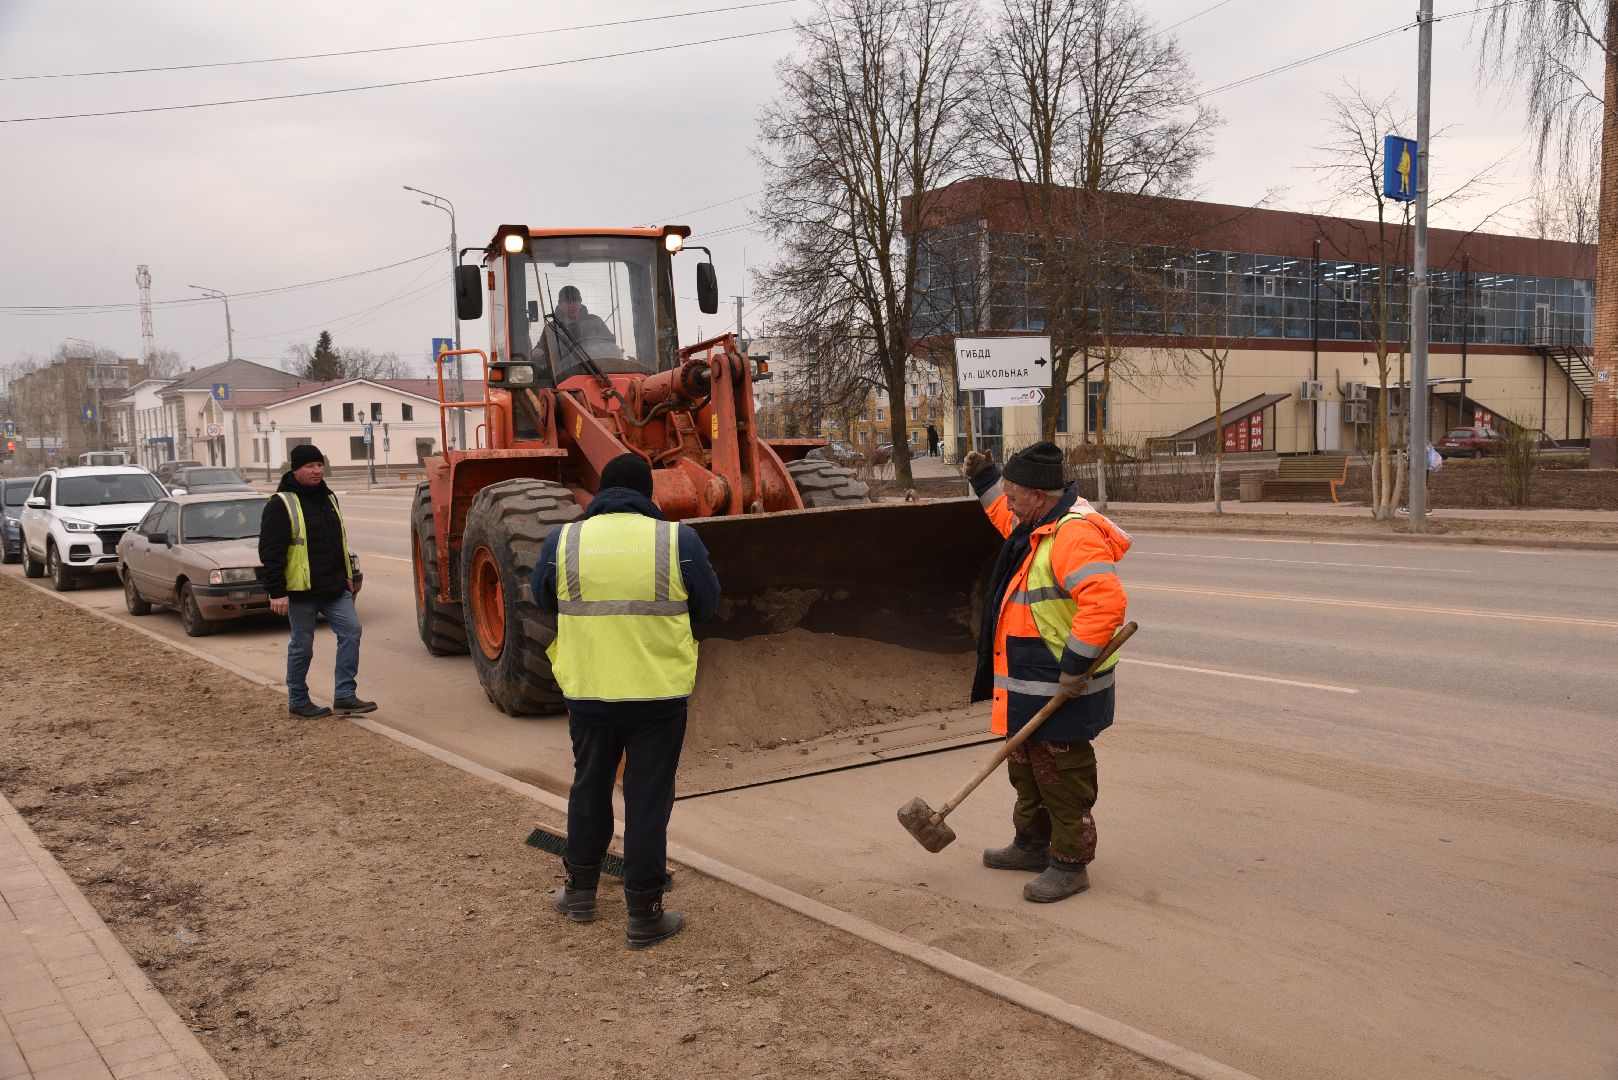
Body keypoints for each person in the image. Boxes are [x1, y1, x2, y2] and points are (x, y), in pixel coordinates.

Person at [532, 453, 721, 949]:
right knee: (647, 800)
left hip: (590, 692)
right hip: (657, 695)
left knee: (589, 788)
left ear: (600, 493)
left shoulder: (564, 540)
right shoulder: (676, 539)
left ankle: (579, 895)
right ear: (649, 494)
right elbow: (708, 604)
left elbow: (542, 596)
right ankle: (644, 914)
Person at [961, 442, 1131, 903]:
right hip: (1029, 682)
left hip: (1062, 683)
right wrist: (985, 478)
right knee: (1026, 770)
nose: (1009, 506)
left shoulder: (1074, 536)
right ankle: (1032, 845)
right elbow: (1003, 512)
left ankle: (1070, 865)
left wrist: (1076, 664)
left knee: (1061, 776)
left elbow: (1106, 603)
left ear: (1037, 495)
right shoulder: (1035, 521)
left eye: (1015, 496)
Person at [258, 445, 373, 720]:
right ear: (295, 469)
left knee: (352, 632)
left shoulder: (328, 497)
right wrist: (277, 592)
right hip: (301, 592)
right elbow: (270, 552)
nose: (317, 470)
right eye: (309, 465)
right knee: (302, 647)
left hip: (334, 588)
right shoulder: (281, 504)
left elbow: (337, 542)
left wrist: (346, 575)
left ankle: (345, 695)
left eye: (319, 464)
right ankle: (298, 700)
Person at [536, 284, 617, 379]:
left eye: (575, 301)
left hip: (595, 375)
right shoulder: (551, 329)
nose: (572, 305)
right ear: (560, 305)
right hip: (561, 378)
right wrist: (536, 352)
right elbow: (539, 351)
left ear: (580, 303)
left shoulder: (595, 322)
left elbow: (611, 344)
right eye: (568, 302)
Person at [1397, 442, 1442, 515]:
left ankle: (1426, 508)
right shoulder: (1425, 442)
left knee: (1420, 487)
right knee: (1420, 487)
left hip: (1417, 468)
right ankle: (1412, 507)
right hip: (1424, 468)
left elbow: (1410, 457)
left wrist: (1405, 455)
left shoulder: (1414, 442)